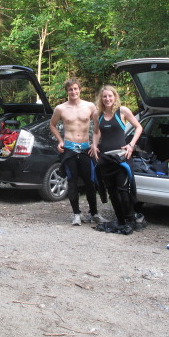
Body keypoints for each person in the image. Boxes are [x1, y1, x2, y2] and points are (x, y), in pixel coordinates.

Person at [49, 78, 103, 226]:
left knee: (90, 182)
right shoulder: (61, 108)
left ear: (80, 89)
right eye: (70, 89)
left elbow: (98, 128)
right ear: (67, 91)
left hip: (86, 148)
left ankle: (94, 213)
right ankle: (76, 214)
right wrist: (60, 140)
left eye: (75, 89)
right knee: (72, 182)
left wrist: (94, 144)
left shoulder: (90, 106)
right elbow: (52, 125)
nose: (73, 92)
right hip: (69, 149)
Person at [90, 85, 143, 231]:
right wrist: (94, 145)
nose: (107, 99)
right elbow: (96, 132)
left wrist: (131, 145)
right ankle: (120, 220)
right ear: (101, 98)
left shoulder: (122, 111)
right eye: (104, 96)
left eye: (110, 96)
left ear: (115, 97)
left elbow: (139, 127)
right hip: (105, 159)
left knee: (123, 190)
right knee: (112, 191)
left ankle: (130, 219)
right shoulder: (97, 114)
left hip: (121, 158)